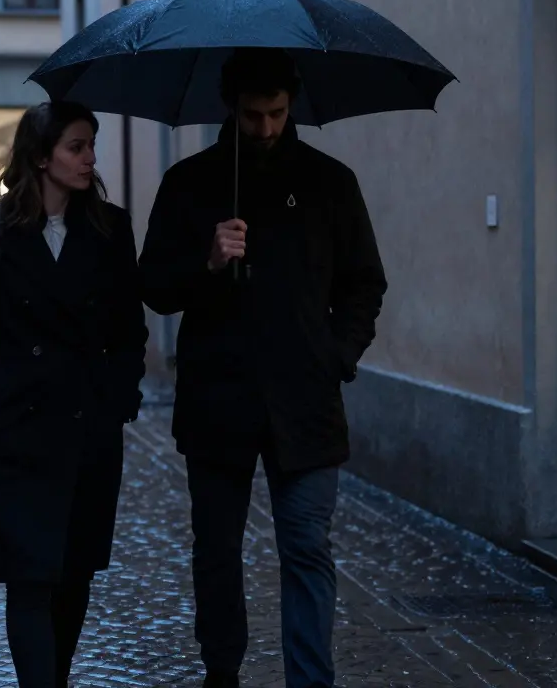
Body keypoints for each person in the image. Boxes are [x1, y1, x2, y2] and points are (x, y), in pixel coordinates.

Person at [138, 47, 388, 688]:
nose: (267, 128)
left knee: (306, 548)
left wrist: (337, 354)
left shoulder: (333, 182)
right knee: (217, 552)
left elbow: (365, 284)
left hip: (305, 403)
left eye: (277, 114)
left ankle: (311, 680)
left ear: (292, 104)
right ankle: (221, 670)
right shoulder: (190, 183)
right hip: (217, 402)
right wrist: (209, 262)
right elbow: (156, 286)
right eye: (254, 116)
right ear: (231, 107)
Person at [0, 101, 148, 688]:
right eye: (77, 146)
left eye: (91, 145)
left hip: (87, 431)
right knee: (30, 578)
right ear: (41, 156)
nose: (90, 158)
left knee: (73, 575)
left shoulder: (109, 228)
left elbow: (130, 330)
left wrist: (117, 399)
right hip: (14, 433)